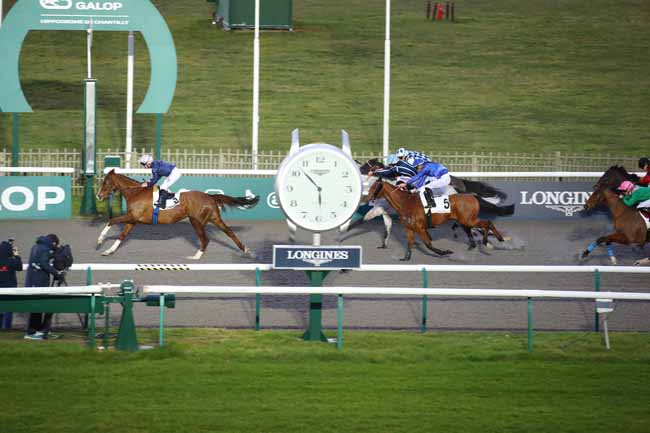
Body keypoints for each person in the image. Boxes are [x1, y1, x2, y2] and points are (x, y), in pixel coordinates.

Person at [24, 234, 63, 340]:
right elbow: (44, 263)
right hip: (39, 281)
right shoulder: (46, 249)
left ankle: (34, 331)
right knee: (38, 306)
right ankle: (32, 332)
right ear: (54, 243)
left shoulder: (36, 246)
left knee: (36, 306)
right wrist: (57, 273)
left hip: (32, 280)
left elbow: (40, 262)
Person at [0, 239, 22, 330]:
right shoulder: (11, 261)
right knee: (9, 309)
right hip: (10, 287)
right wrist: (16, 255)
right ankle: (7, 327)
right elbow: (19, 267)